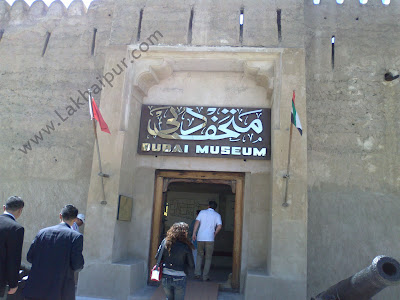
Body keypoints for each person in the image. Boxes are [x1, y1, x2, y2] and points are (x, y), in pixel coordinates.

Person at [23, 204, 84, 300]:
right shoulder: (76, 237)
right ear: (75, 219)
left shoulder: (42, 232)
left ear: (60, 216)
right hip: (60, 290)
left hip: (36, 287)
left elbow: (30, 257)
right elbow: (77, 265)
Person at [159, 222, 194, 300]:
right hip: (180, 276)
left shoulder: (165, 242)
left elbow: (158, 257)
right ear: (184, 233)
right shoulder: (186, 246)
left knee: (168, 298)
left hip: (166, 275)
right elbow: (191, 264)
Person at [0, 196, 24, 297]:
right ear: (20, 211)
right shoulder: (16, 228)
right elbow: (13, 258)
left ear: (4, 207)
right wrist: (13, 283)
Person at [192, 200, 222, 281]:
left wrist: (194, 233)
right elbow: (219, 226)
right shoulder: (217, 215)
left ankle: (197, 273)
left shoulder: (202, 212)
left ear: (208, 206)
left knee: (199, 255)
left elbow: (197, 222)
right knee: (208, 257)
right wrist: (215, 233)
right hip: (210, 238)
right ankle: (205, 276)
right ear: (215, 208)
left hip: (200, 237)